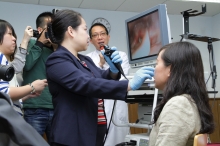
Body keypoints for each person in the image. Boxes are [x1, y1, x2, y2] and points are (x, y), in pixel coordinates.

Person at [45, 9, 154, 146]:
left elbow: (101, 78)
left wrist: (113, 70)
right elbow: (85, 83)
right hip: (72, 135)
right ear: (71, 31)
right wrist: (128, 85)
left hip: (94, 131)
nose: (88, 37)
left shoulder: (84, 60)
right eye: (85, 30)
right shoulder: (57, 60)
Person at [149, 41, 214, 146]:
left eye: (156, 63)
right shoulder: (189, 101)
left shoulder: (178, 104)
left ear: (170, 69)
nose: (154, 69)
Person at [87, 23, 130, 146]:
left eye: (102, 34)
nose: (100, 37)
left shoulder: (121, 55)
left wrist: (111, 65)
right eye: (95, 35)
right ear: (91, 40)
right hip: (98, 110)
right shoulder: (87, 59)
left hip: (117, 106)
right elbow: (90, 82)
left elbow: (123, 80)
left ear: (108, 37)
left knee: (120, 140)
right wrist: (101, 64)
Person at [0, 19, 48, 116]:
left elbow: (17, 66)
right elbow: (4, 93)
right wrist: (32, 87)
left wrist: (25, 96)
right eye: (10, 34)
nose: (14, 38)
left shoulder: (4, 62)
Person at [22, 11, 55, 143]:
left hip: (56, 108)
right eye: (49, 28)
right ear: (40, 30)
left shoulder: (57, 49)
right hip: (34, 108)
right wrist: (40, 42)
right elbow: (27, 65)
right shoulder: (30, 44)